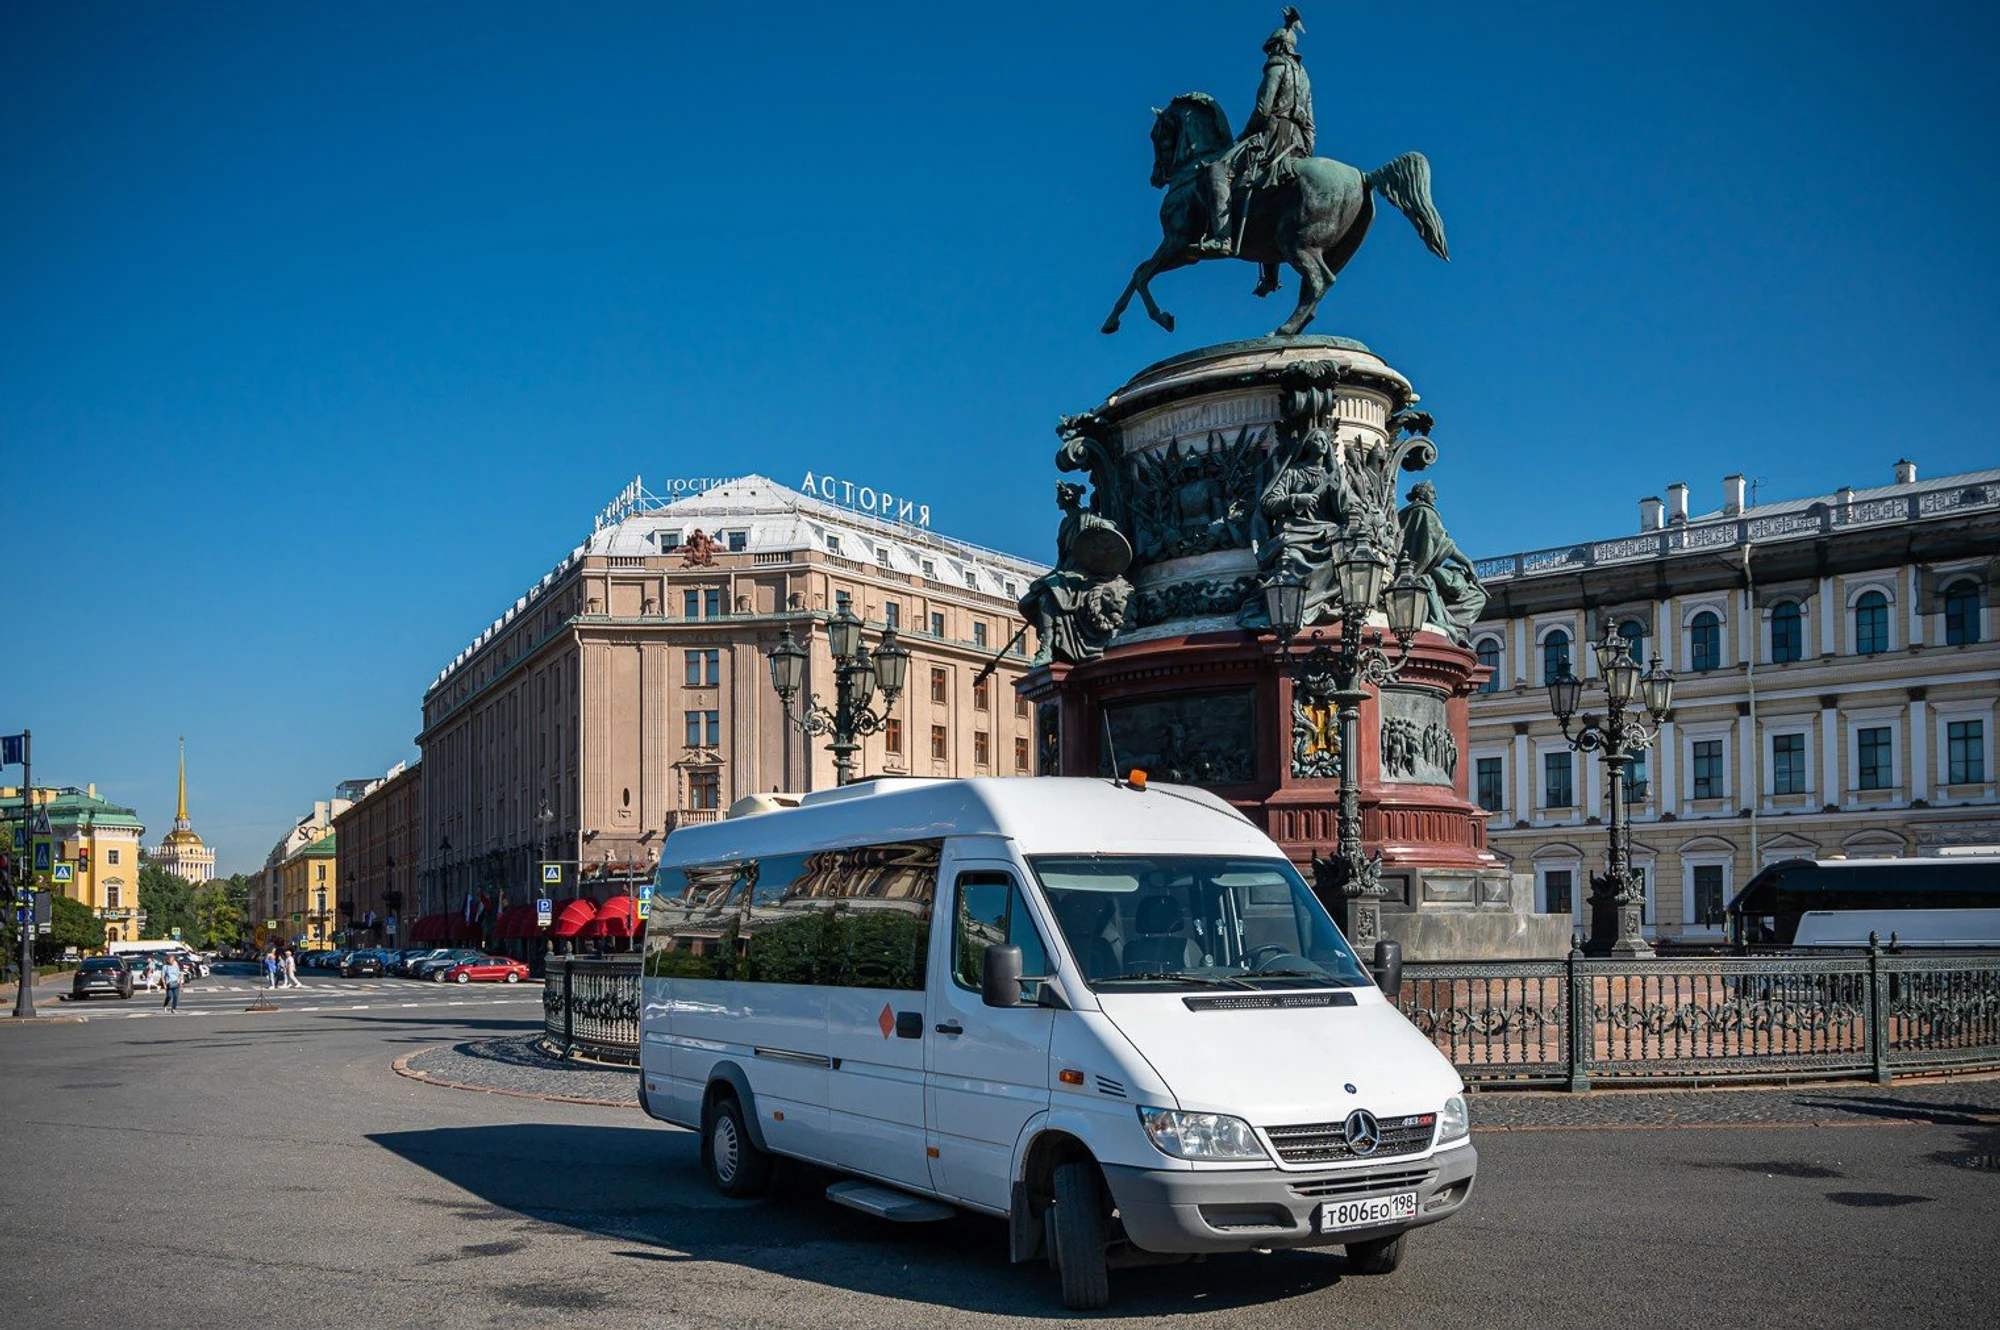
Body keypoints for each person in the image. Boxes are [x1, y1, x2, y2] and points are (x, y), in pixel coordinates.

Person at [1199, 8, 1316, 257]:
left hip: (1273, 136)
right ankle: (1270, 273)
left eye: (1271, 47)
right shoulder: (1304, 77)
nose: (1269, 52)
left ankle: (1222, 238)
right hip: (1297, 143)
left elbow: (1263, 109)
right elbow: (1310, 122)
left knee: (1217, 170)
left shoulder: (1275, 67)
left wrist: (1244, 133)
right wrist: (1307, 148)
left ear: (1277, 47)